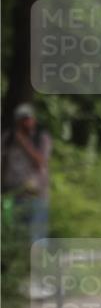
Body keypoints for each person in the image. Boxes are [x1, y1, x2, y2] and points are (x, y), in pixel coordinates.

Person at [1, 103, 52, 244]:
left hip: (36, 195)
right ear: (18, 121)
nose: (27, 122)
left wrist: (23, 143)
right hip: (13, 195)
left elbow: (40, 161)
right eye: (24, 119)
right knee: (16, 236)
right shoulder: (7, 138)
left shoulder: (41, 138)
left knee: (36, 237)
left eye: (29, 118)